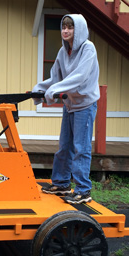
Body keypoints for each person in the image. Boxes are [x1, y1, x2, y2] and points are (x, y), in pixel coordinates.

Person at [32, 14, 100, 204]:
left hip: (85, 105)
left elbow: (79, 77)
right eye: (63, 27)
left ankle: (83, 190)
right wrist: (40, 89)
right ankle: (61, 183)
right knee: (64, 146)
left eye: (70, 27)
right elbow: (55, 78)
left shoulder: (88, 48)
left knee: (81, 148)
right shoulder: (63, 52)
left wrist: (54, 90)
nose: (66, 30)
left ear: (78, 29)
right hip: (70, 105)